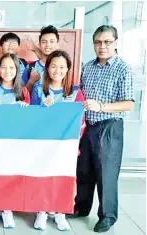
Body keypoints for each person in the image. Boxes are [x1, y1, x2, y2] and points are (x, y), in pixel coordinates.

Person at [71, 25, 135, 233]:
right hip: (88, 127)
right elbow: (79, 95)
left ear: (116, 43)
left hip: (110, 127)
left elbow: (129, 103)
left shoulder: (122, 68)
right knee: (84, 169)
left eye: (107, 42)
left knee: (106, 174)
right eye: (98, 42)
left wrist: (102, 107)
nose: (102, 46)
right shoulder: (88, 67)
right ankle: (81, 207)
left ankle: (107, 216)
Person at [31, 50, 85, 231]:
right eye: (54, 66)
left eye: (62, 67)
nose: (57, 70)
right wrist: (42, 109)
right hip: (44, 146)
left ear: (68, 69)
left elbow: (81, 120)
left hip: (66, 147)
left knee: (63, 179)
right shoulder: (39, 90)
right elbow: (31, 118)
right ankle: (42, 211)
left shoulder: (75, 92)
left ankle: (60, 212)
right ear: (47, 68)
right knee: (44, 177)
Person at [0, 53, 29, 229]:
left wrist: (25, 108)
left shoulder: (22, 90)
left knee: (9, 174)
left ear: (17, 70)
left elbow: (29, 119)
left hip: (14, 142)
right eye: (3, 67)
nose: (7, 71)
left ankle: (7, 208)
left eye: (11, 67)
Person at [22, 25, 60, 95]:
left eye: (51, 41)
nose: (48, 45)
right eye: (44, 42)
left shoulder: (62, 68)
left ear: (57, 44)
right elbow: (22, 95)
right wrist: (31, 82)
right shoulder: (30, 67)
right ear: (39, 44)